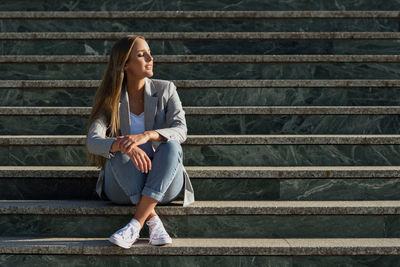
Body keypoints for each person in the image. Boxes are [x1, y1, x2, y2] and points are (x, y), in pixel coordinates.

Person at [85, 35, 195, 249]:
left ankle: (135, 224)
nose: (150, 58)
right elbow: (93, 141)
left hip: (165, 183)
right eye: (141, 55)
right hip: (121, 186)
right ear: (125, 64)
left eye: (149, 53)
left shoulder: (166, 89)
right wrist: (124, 144)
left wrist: (148, 135)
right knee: (116, 147)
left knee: (172, 143)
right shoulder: (111, 99)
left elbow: (181, 130)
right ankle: (151, 220)